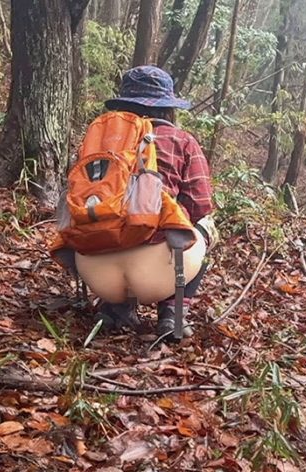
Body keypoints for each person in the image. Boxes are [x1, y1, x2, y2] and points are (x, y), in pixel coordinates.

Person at [69, 66, 215, 340]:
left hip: (95, 264)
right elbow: (201, 204)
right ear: (168, 107)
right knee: (205, 227)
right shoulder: (182, 140)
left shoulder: (100, 139)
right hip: (157, 271)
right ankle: (172, 312)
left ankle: (115, 307)